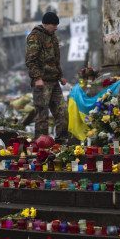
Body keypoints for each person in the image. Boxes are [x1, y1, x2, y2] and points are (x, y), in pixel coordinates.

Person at [25, 12, 69, 143]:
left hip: (54, 81)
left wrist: (60, 76)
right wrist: (37, 77)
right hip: (42, 82)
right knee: (42, 116)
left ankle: (61, 143)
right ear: (45, 24)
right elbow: (30, 60)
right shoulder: (35, 36)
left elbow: (55, 59)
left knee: (62, 113)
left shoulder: (53, 37)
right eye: (53, 25)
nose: (56, 27)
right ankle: (41, 144)